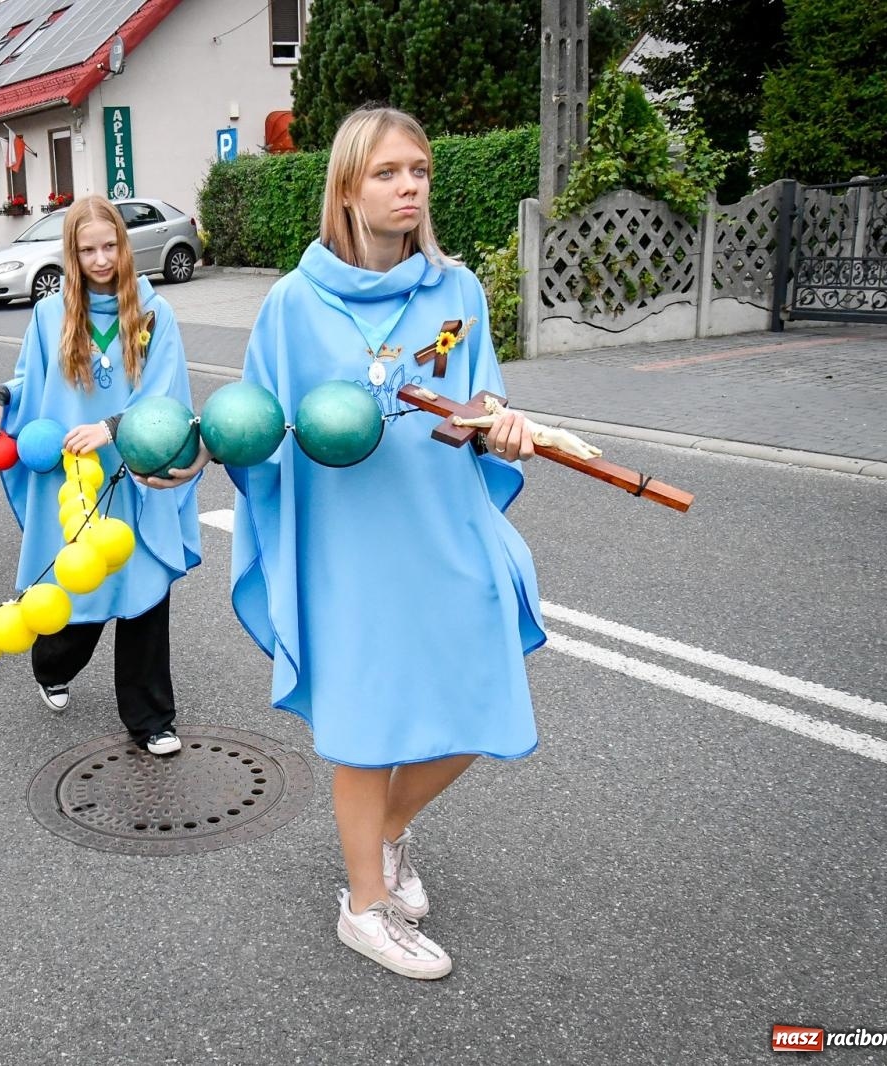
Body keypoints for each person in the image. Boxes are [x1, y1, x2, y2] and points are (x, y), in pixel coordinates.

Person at [207, 107, 544, 980]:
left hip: (444, 524)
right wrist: (191, 456)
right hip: (347, 542)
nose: (409, 187)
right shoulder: (292, 303)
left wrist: (499, 426)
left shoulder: (456, 291)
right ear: (349, 186)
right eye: (389, 172)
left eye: (420, 171)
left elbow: (479, 399)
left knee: (484, 687)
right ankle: (364, 905)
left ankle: (388, 832)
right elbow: (255, 426)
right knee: (364, 725)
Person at [0, 196, 201, 757]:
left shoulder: (155, 315)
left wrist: (113, 426)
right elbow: (30, 378)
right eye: (87, 249)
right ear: (71, 255)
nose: (101, 259)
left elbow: (166, 394)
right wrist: (0, 397)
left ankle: (152, 718)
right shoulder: (50, 313)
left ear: (124, 247)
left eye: (110, 246)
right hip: (70, 484)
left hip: (132, 476)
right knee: (74, 591)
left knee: (143, 588)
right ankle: (52, 665)